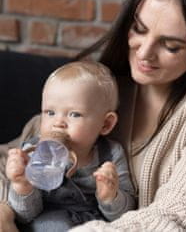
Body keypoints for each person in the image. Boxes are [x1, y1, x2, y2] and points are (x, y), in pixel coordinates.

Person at [1, 0, 186, 231]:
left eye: (171, 46)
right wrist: (6, 207)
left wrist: (110, 196)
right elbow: (10, 155)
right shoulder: (102, 87)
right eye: (138, 29)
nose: (144, 53)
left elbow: (174, 217)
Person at [4, 61, 136, 232]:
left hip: (95, 223)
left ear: (105, 124)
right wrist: (22, 185)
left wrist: (111, 196)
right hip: (47, 221)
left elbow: (127, 214)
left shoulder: (111, 154)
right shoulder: (34, 151)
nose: (58, 123)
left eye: (74, 114)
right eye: (50, 112)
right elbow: (25, 215)